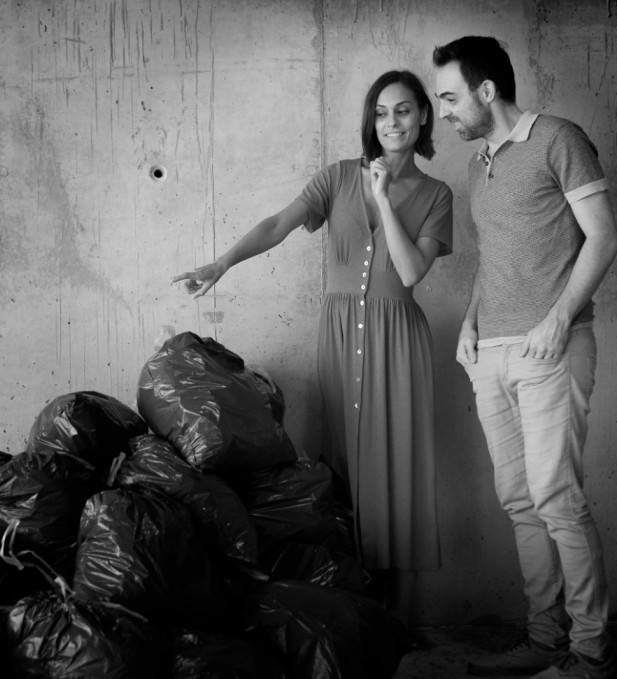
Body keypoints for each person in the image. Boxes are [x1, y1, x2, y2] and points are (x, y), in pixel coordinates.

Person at [173, 70, 453, 619]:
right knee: (343, 465)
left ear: (423, 116)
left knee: (398, 472)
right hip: (341, 334)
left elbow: (412, 269)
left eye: (402, 111)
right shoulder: (338, 177)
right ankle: (353, 607)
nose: (391, 122)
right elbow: (279, 223)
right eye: (381, 112)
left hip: (400, 343)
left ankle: (397, 617)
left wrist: (383, 199)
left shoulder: (437, 194)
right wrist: (223, 262)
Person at [432, 36, 617, 679]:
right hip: (491, 354)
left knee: (556, 499)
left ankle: (590, 656)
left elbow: (603, 236)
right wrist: (470, 324)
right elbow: (494, 258)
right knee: (518, 500)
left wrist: (559, 319)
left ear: (488, 91)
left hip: (551, 349)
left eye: (451, 97)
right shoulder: (478, 162)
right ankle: (544, 641)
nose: (445, 111)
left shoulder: (559, 139)